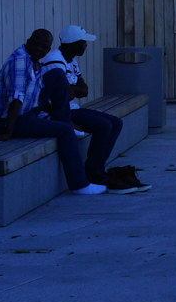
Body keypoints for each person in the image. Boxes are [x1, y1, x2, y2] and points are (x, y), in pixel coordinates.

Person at [0, 29, 106, 195]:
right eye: (37, 45)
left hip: (27, 112)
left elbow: (38, 94)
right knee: (65, 132)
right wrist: (8, 132)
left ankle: (65, 121)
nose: (40, 50)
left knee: (57, 75)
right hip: (10, 121)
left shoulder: (33, 60)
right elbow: (16, 99)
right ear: (28, 41)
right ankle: (80, 185)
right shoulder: (20, 61)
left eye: (45, 47)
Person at [48, 25, 146, 193]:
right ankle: (94, 173)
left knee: (115, 122)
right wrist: (72, 90)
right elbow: (66, 93)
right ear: (73, 43)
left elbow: (83, 90)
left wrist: (72, 89)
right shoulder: (55, 61)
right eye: (83, 42)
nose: (86, 46)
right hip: (56, 112)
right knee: (103, 125)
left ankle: (96, 168)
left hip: (71, 107)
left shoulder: (71, 60)